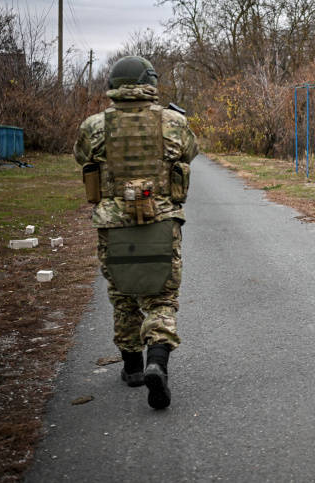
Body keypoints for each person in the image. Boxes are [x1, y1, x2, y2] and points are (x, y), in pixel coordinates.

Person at [74, 56, 198, 410]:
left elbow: (81, 156)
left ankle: (132, 368)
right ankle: (157, 362)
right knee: (162, 298)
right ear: (150, 83)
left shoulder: (95, 125)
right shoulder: (173, 121)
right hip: (161, 221)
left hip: (113, 225)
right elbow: (191, 152)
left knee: (123, 296)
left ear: (114, 84)